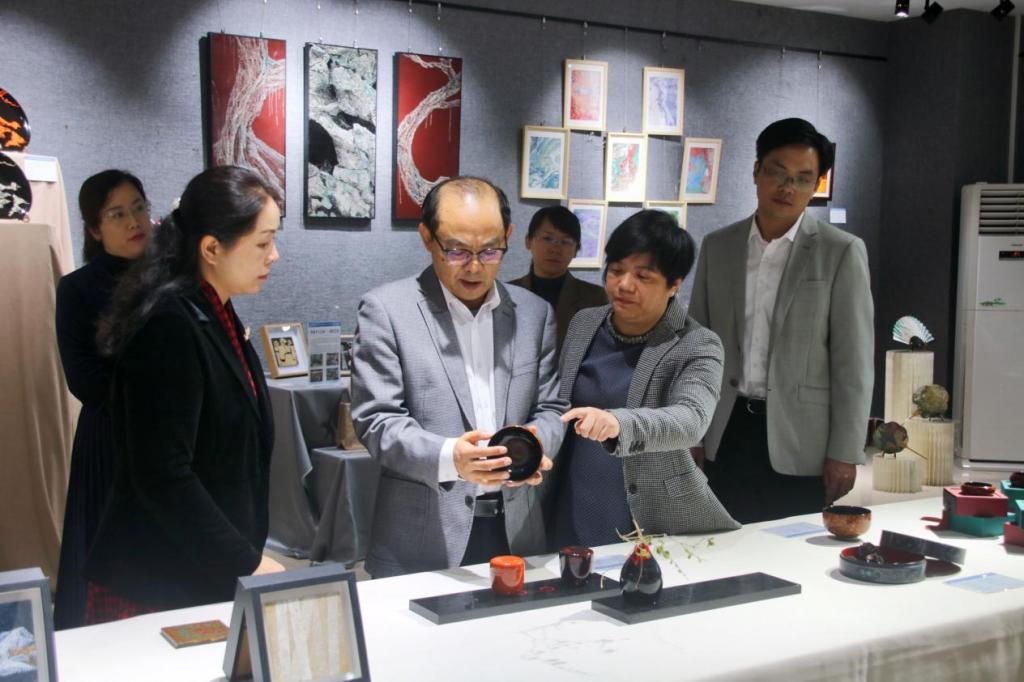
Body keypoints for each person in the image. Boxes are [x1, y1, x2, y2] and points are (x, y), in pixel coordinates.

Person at [83, 166, 285, 623]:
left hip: (200, 570)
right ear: (211, 249)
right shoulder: (169, 325)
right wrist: (245, 561)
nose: (274, 255)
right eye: (262, 243)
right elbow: (162, 474)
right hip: (158, 581)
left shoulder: (214, 312)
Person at [351, 176, 568, 578]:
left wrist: (536, 442)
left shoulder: (534, 313)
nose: (474, 266)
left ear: (508, 236)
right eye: (455, 251)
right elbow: (377, 421)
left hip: (517, 530)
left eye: (490, 251)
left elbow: (552, 407)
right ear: (426, 237)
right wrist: (451, 457)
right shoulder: (387, 310)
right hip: (423, 537)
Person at [689, 118, 873, 524]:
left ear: (816, 185)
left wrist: (845, 451)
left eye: (803, 179)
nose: (788, 188)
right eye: (778, 173)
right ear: (756, 171)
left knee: (791, 548)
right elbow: (696, 349)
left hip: (801, 438)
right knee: (721, 545)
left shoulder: (840, 252)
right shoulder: (718, 247)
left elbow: (853, 363)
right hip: (726, 428)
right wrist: (693, 433)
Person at [553, 210, 739, 547]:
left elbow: (691, 420)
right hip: (574, 498)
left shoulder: (698, 343)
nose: (624, 285)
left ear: (674, 284)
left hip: (651, 513)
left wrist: (617, 423)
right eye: (616, 270)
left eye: (643, 276)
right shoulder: (585, 323)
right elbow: (559, 401)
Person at [53, 170, 151, 629]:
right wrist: (159, 391)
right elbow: (84, 379)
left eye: (139, 208)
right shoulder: (77, 289)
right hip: (111, 438)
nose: (134, 221)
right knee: (105, 556)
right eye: (117, 214)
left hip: (175, 434)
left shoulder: (174, 279)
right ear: (94, 229)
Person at [508, 205, 607, 351]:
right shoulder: (506, 294)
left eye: (566, 241)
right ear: (528, 241)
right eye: (547, 238)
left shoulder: (596, 299)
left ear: (576, 250)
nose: (555, 249)